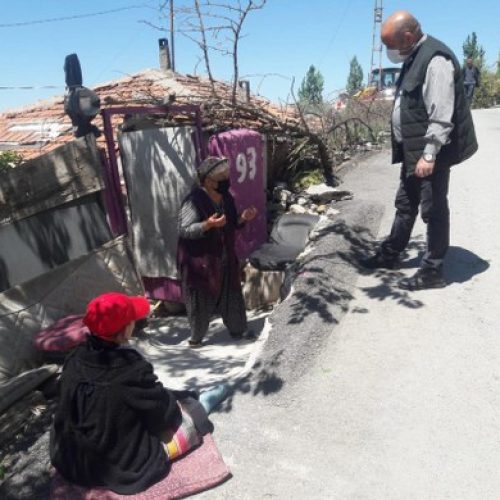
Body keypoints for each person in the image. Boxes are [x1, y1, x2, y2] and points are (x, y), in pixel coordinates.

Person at [50, 292, 227, 494]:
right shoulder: (129, 369)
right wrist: (175, 402)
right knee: (194, 407)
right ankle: (217, 393)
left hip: (70, 460)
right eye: (132, 320)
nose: (135, 322)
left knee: (164, 397)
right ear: (125, 331)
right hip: (115, 468)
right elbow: (163, 416)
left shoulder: (75, 357)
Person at [361, 11, 478, 290]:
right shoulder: (414, 55)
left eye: (392, 45)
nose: (390, 51)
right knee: (405, 203)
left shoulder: (435, 59)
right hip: (414, 147)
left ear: (409, 37)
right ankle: (391, 253)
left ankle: (432, 271)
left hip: (430, 151)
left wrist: (429, 154)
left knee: (433, 208)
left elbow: (441, 113)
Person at [177, 156, 257, 347]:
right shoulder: (194, 201)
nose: (225, 180)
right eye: (220, 177)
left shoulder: (226, 197)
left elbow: (232, 224)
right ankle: (196, 339)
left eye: (226, 175)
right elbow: (183, 229)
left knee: (232, 294)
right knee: (200, 299)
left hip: (225, 257)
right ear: (207, 181)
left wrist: (243, 218)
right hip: (200, 262)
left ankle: (238, 331)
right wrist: (207, 225)